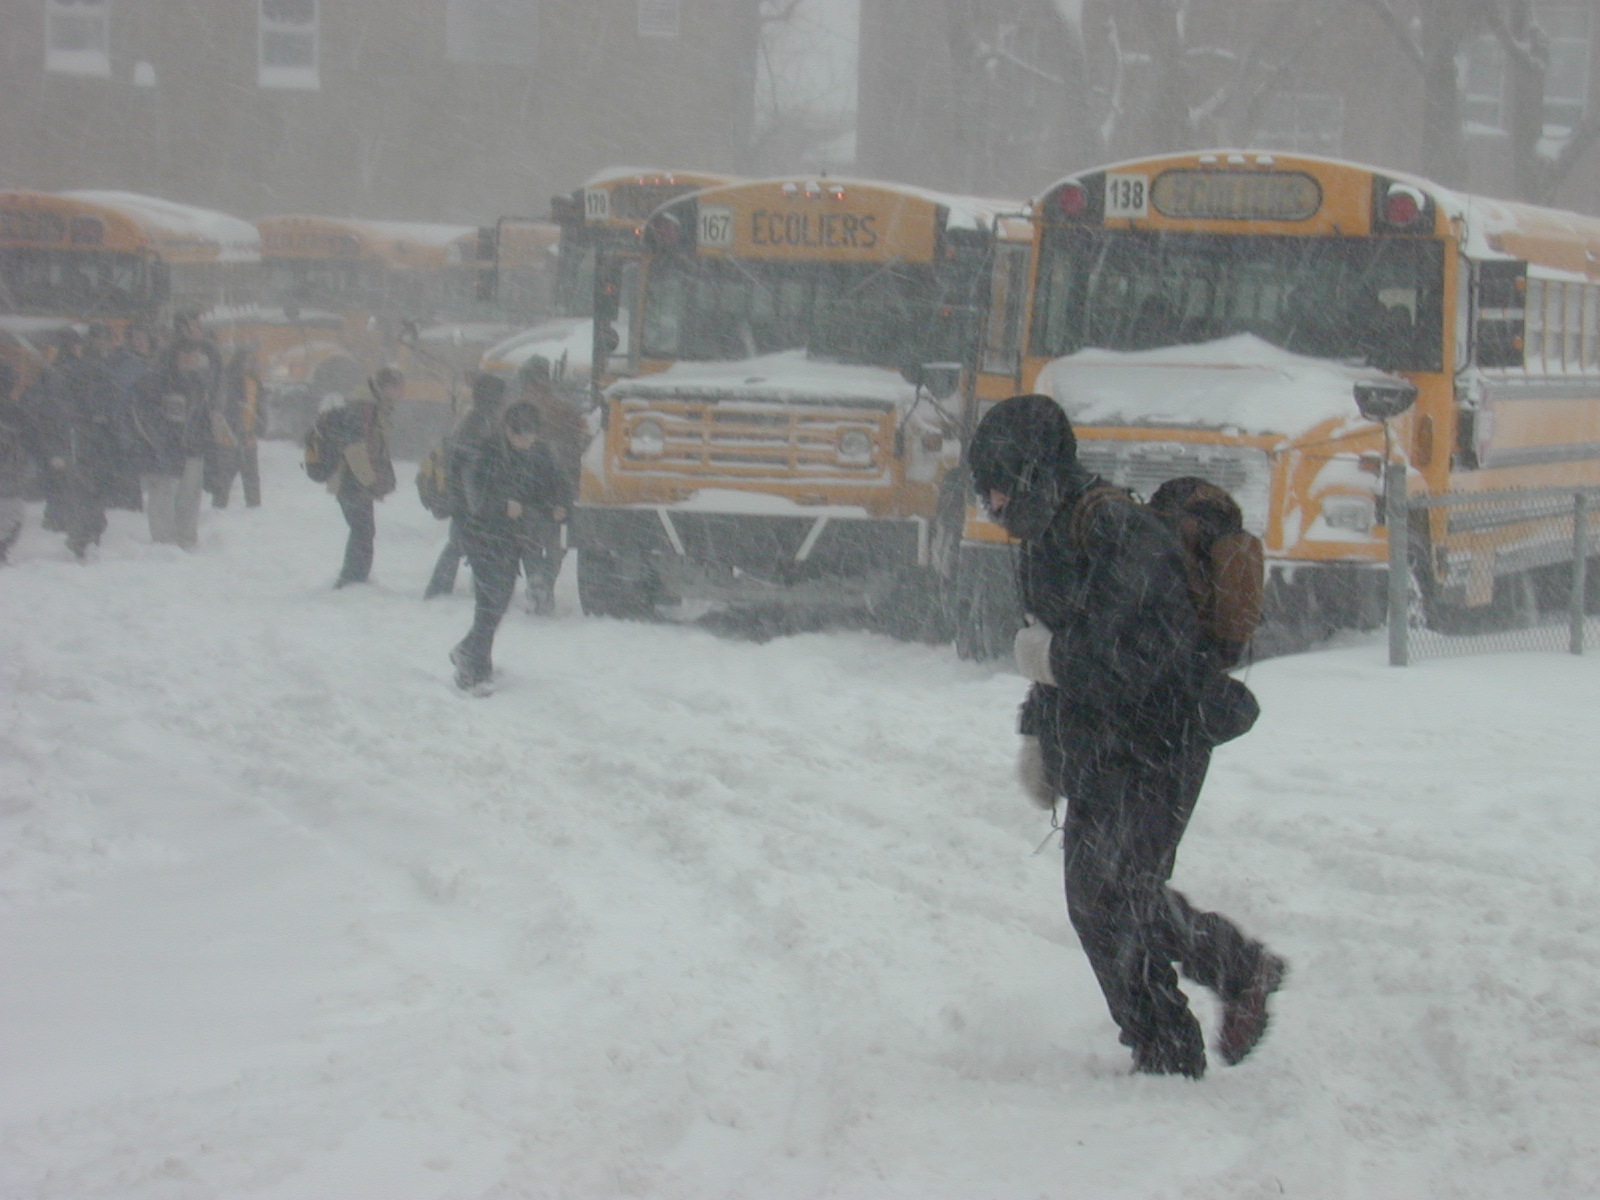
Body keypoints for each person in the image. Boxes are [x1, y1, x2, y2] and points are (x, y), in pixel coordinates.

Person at [965, 393, 1285, 1079]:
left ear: (1032, 472)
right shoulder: (1047, 535)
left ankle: (1194, 1015)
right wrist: (1038, 731)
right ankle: (1187, 1015)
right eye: (983, 490)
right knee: (1097, 900)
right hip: (1104, 744)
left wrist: (1053, 661)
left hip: (1165, 736)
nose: (990, 504)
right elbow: (1057, 649)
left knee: (1118, 891)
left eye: (997, 486)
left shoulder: (1115, 530)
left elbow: (1140, 656)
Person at [449, 400, 573, 691]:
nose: (525, 443)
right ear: (507, 429)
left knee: (498, 602)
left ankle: (473, 655)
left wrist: (560, 504)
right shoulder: (486, 452)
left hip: (512, 537)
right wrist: (502, 505)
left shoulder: (539, 452)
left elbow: (556, 484)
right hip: (481, 535)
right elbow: (473, 497)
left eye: (530, 437)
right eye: (520, 437)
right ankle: (471, 669)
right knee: (490, 601)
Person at [131, 325, 220, 549]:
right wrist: (158, 441)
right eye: (190, 354)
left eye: (196, 354)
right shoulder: (155, 381)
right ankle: (164, 544)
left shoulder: (198, 382)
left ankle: (186, 541)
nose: (194, 359)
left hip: (192, 448)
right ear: (178, 355)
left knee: (189, 498)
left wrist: (206, 443)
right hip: (165, 449)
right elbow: (143, 415)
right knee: (164, 497)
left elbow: (202, 416)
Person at [513, 357, 588, 612]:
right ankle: (546, 579)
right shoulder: (567, 410)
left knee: (528, 541)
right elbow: (580, 446)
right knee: (558, 542)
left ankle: (536, 579)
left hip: (525, 489)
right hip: (562, 487)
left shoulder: (513, 410)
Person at [44, 322, 123, 559]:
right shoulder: (98, 371)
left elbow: (56, 404)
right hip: (91, 436)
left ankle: (82, 534)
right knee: (89, 484)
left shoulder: (68, 371)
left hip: (81, 435)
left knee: (82, 485)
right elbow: (112, 402)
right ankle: (87, 533)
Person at [424, 372, 505, 599]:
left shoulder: (475, 417)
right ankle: (440, 588)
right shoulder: (478, 421)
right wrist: (474, 504)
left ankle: (442, 587)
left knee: (460, 543)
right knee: (461, 543)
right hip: (467, 495)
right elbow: (470, 466)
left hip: (462, 493)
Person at [315, 368, 399, 587]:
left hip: (352, 479)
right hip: (351, 480)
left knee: (363, 529)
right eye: (394, 388)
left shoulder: (369, 406)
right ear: (384, 387)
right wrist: (369, 480)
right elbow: (355, 448)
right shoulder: (364, 409)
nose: (397, 393)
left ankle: (355, 577)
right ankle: (351, 578)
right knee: (362, 530)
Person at [0, 360, 46, 564]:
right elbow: (35, 440)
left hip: (10, 476)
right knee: (10, 514)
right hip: (10, 476)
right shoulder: (16, 412)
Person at [209, 341, 262, 508]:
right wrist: (236, 430)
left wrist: (258, 427)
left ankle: (254, 507)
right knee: (225, 475)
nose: (251, 364)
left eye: (253, 360)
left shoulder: (254, 381)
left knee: (251, 475)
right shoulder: (228, 380)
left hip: (249, 435)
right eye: (248, 360)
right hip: (229, 436)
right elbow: (227, 409)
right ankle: (219, 508)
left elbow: (258, 407)